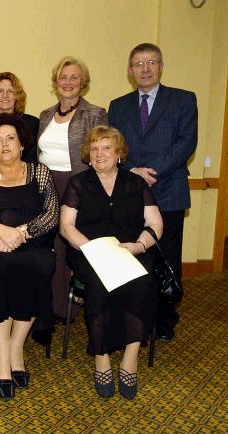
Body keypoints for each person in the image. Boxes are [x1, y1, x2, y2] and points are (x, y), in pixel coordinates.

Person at [60, 126, 163, 399]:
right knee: (98, 286)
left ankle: (130, 359)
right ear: (88, 155)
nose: (100, 153)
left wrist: (139, 246)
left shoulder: (136, 183)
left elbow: (155, 223)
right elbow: (67, 227)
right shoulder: (78, 184)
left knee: (143, 285)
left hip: (130, 251)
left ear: (119, 153)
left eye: (106, 147)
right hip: (89, 253)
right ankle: (102, 357)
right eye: (94, 149)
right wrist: (94, 250)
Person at [108, 43, 198, 343]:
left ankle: (165, 320)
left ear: (161, 66)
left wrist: (153, 172)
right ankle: (135, 317)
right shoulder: (118, 106)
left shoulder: (183, 100)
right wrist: (133, 170)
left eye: (151, 62)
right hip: (131, 194)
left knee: (167, 258)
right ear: (130, 71)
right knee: (133, 255)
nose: (145, 69)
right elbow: (113, 146)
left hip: (169, 191)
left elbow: (186, 143)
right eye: (138, 64)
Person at [0, 114, 58, 400]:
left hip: (31, 243)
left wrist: (18, 233)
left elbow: (51, 215)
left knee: (40, 264)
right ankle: (1, 353)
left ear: (21, 145)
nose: (4, 144)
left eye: (10, 139)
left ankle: (17, 346)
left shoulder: (40, 173)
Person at [37, 56, 108, 324]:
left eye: (74, 77)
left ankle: (79, 303)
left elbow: (102, 154)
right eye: (63, 77)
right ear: (56, 82)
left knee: (75, 244)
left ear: (83, 82)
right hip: (47, 186)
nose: (68, 82)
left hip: (79, 186)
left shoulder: (95, 113)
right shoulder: (45, 115)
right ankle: (56, 305)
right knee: (51, 244)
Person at [0, 72, 39, 162]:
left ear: (17, 96)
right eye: (0, 91)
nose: (5, 95)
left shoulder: (32, 123)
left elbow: (31, 159)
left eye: (10, 91)